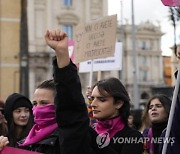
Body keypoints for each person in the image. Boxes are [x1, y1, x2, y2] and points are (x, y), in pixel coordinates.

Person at [45, 29, 143, 154]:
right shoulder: (86, 131)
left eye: (102, 99)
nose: (93, 104)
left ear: (118, 103)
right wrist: (62, 54)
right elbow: (69, 105)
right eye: (92, 98)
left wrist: (86, 129)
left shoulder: (133, 137)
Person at [18, 79, 61, 154]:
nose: (37, 108)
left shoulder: (67, 138)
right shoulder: (26, 141)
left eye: (44, 103)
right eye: (35, 103)